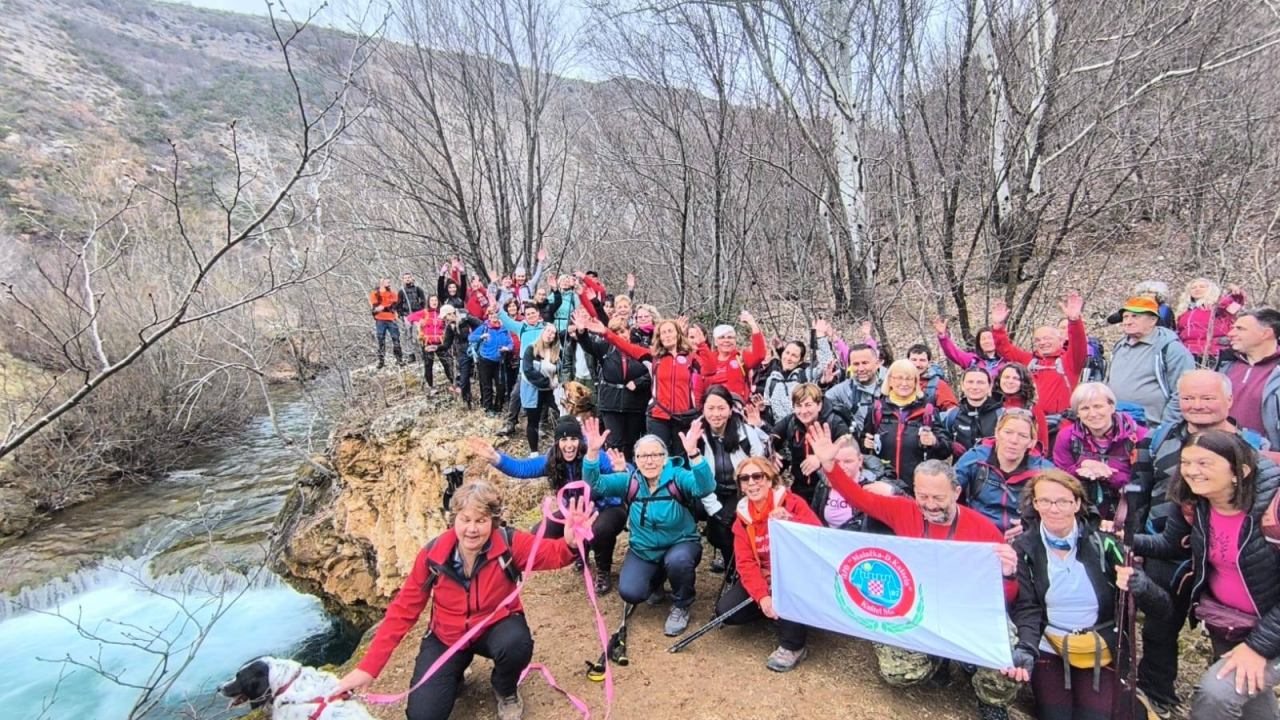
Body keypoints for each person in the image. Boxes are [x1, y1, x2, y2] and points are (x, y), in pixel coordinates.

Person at [808, 426, 1023, 720]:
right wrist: (830, 466)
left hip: (966, 609)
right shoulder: (905, 510)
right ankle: (937, 657)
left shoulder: (984, 529)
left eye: (938, 498)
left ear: (957, 492)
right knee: (897, 672)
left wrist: (1008, 575)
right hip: (918, 608)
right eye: (923, 496)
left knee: (1007, 653)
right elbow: (859, 498)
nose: (930, 505)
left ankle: (991, 699)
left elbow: (1005, 598)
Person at [332, 481, 593, 720]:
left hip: (496, 627)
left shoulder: (508, 543)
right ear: (454, 518)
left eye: (481, 520)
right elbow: (402, 611)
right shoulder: (433, 556)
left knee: (516, 644)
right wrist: (368, 668)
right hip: (446, 637)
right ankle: (453, 676)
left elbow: (550, 553)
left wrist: (569, 542)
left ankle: (505, 688)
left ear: (493, 521)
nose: (472, 528)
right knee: (423, 715)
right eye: (465, 519)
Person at [1129, 369, 1271, 715]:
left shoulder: (1259, 463)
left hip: (1253, 590)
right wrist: (1124, 538)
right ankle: (1157, 692)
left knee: (1222, 668)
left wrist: (1259, 646)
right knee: (1161, 626)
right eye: (1188, 398)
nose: (1197, 406)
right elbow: (1152, 512)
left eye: (1207, 398)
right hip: (1189, 569)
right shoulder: (1164, 447)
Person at [1009, 470, 1170, 720]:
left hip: (1099, 645)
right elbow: (1027, 607)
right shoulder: (1024, 549)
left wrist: (1142, 586)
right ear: (1035, 504)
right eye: (1045, 501)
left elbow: (1163, 609)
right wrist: (1027, 648)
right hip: (1049, 644)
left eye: (1062, 501)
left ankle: (1132, 702)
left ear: (1076, 504)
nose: (1054, 509)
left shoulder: (1104, 544)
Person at [582, 418, 715, 637]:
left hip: (681, 545)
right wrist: (593, 453)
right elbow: (594, 485)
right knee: (630, 592)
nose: (649, 461)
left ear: (665, 459)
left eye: (655, 455)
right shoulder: (629, 481)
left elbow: (706, 487)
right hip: (644, 550)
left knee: (678, 561)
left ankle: (681, 605)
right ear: (635, 460)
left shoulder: (678, 478)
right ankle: (658, 580)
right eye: (643, 456)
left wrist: (694, 455)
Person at [469, 418, 627, 595]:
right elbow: (522, 468)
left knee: (600, 529)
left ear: (580, 441)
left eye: (573, 439)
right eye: (563, 440)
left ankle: (603, 570)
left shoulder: (594, 455)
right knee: (539, 533)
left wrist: (623, 470)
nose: (569, 445)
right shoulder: (552, 459)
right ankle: (580, 551)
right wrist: (495, 458)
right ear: (557, 442)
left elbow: (625, 473)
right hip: (575, 511)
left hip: (607, 508)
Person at [714, 455, 821, 672]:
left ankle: (794, 646)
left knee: (788, 591)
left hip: (797, 574)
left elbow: (818, 536)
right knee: (726, 611)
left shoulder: (792, 503)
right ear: (741, 486)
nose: (752, 483)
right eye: (745, 479)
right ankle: (775, 611)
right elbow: (745, 563)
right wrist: (762, 597)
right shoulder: (742, 518)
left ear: (771, 479)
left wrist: (790, 520)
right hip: (766, 576)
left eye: (757, 476)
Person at [585, 315, 717, 458]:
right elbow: (625, 346)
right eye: (663, 333)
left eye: (670, 331)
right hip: (658, 417)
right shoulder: (652, 356)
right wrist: (605, 332)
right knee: (660, 456)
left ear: (678, 334)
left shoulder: (690, 358)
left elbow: (710, 370)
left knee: (682, 457)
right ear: (659, 338)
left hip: (683, 417)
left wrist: (703, 345)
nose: (667, 335)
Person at [693, 384, 770, 573]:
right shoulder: (697, 437)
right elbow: (700, 481)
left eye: (721, 408)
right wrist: (716, 510)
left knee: (736, 526)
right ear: (703, 410)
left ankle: (742, 568)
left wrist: (744, 501)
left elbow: (760, 469)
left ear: (730, 410)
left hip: (744, 490)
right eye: (710, 408)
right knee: (718, 531)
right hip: (714, 490)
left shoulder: (746, 433)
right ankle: (731, 567)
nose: (716, 414)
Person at [1052, 382, 1148, 521]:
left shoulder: (1140, 437)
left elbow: (1145, 484)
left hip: (1130, 512)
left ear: (1112, 407)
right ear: (1077, 413)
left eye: (1098, 406)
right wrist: (1083, 467)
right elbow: (1060, 478)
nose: (1092, 414)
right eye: (1085, 408)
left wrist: (1108, 475)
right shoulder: (1066, 437)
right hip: (1083, 511)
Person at [955, 410, 1056, 538]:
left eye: (1023, 436)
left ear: (1032, 442)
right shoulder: (975, 459)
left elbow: (1064, 507)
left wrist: (1033, 525)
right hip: (979, 534)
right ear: (997, 433)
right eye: (1008, 432)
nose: (1014, 440)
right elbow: (947, 491)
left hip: (1023, 538)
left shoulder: (1044, 471)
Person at [989, 292, 1087, 418]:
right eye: (1038, 340)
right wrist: (997, 327)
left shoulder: (1069, 361)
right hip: (1031, 420)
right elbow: (1005, 349)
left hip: (1061, 422)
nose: (1043, 343)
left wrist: (1074, 321)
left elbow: (1079, 345)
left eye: (1047, 338)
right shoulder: (1030, 361)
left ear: (1060, 339)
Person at [860, 359, 951, 491]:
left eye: (909, 379)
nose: (904, 383)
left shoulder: (927, 409)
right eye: (899, 378)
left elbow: (946, 450)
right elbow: (862, 446)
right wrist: (864, 443)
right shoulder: (876, 409)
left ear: (916, 382)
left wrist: (934, 441)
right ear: (890, 381)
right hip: (884, 483)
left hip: (918, 485)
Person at [573, 312, 651, 462]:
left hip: (635, 404)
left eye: (623, 331)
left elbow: (654, 371)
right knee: (614, 443)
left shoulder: (642, 349)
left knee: (632, 443)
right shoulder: (605, 348)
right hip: (611, 404)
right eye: (617, 332)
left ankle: (630, 474)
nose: (621, 335)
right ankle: (614, 474)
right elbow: (588, 345)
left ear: (629, 330)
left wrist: (639, 382)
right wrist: (581, 332)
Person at [1106, 296, 1195, 427]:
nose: (1128, 322)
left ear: (1153, 320)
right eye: (1126, 317)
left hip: (1151, 429)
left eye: (1135, 317)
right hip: (1116, 426)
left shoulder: (1170, 349)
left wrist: (1166, 427)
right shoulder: (1119, 346)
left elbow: (1184, 392)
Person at [771, 383, 851, 508]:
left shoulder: (835, 422)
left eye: (808, 405)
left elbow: (850, 449)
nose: (803, 411)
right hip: (800, 486)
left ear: (819, 405)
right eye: (798, 406)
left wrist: (821, 459)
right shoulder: (791, 421)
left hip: (828, 488)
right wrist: (771, 452)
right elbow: (772, 437)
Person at [1220, 308, 1280, 449]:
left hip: (1267, 459)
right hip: (1222, 452)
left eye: (1240, 329)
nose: (1230, 334)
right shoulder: (1224, 364)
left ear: (1266, 333)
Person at [761, 322, 838, 422]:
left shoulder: (805, 375)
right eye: (787, 353)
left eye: (794, 356)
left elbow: (826, 364)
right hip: (780, 432)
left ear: (800, 360)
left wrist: (820, 337)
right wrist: (762, 410)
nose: (788, 358)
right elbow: (769, 413)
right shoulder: (772, 380)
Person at [496, 301, 549, 437]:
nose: (531, 316)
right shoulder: (521, 328)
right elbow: (506, 320)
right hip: (525, 368)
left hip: (543, 367)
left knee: (542, 397)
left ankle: (541, 425)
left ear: (538, 314)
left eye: (533, 313)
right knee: (515, 394)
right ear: (524, 316)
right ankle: (511, 423)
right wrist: (497, 308)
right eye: (528, 314)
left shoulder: (546, 327)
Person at [701, 311, 768, 401]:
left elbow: (759, 355)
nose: (726, 340)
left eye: (730, 337)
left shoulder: (741, 357)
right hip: (714, 406)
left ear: (735, 341)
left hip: (736, 406)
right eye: (721, 337)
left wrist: (753, 325)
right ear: (715, 342)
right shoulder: (709, 358)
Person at [1176, 279, 1245, 365]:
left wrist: (1235, 295)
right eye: (1193, 288)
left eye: (1202, 286)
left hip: (1214, 352)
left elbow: (1235, 307)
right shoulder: (1185, 311)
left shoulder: (1218, 306)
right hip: (1188, 352)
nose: (1197, 289)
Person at [520, 324, 563, 454]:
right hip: (533, 390)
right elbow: (528, 371)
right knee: (533, 421)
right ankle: (534, 452)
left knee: (563, 413)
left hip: (551, 392)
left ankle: (560, 446)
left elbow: (560, 370)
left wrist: (557, 379)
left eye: (553, 333)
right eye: (548, 331)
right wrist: (547, 382)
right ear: (543, 332)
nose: (550, 334)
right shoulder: (531, 349)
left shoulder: (557, 352)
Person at [825, 342, 886, 432]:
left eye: (865, 363)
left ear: (877, 363)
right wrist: (823, 384)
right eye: (856, 364)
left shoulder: (893, 383)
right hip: (861, 442)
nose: (861, 369)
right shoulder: (844, 390)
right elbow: (818, 404)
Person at [944, 367, 1005, 457]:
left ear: (990, 386)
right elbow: (941, 452)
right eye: (970, 382)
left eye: (980, 382)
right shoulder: (953, 415)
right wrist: (948, 445)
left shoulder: (1003, 415)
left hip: (994, 469)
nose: (975, 387)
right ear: (962, 385)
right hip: (961, 469)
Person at [995, 363, 1051, 453]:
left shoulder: (1032, 409)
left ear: (1023, 382)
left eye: (1015, 378)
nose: (1010, 381)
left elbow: (1042, 446)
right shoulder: (991, 405)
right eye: (1006, 377)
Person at [469, 307, 515, 416]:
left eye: (495, 314)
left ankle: (498, 407)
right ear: (488, 316)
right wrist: (481, 336)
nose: (494, 316)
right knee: (487, 385)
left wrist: (507, 348)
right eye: (491, 314)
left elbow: (511, 343)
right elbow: (471, 337)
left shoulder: (505, 328)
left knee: (501, 386)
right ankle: (488, 408)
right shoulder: (484, 327)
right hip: (485, 360)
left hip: (499, 361)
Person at [935, 318, 1008, 379]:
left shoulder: (1006, 361)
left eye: (990, 338)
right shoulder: (972, 360)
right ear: (979, 343)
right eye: (983, 339)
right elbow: (953, 353)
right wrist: (943, 337)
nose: (987, 341)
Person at [439, 306, 480, 409]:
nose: (445, 320)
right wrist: (435, 348)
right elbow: (446, 345)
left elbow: (482, 326)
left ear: (451, 314)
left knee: (483, 376)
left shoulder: (467, 319)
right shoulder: (450, 327)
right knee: (464, 379)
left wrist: (475, 337)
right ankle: (467, 402)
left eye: (445, 317)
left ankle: (485, 402)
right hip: (463, 353)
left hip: (476, 349)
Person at [415, 296, 452, 393]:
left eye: (435, 300)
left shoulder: (441, 313)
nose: (434, 302)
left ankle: (453, 382)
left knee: (446, 363)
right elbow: (411, 317)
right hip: (427, 342)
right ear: (428, 302)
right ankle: (431, 386)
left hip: (440, 342)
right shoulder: (425, 312)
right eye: (432, 300)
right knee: (428, 365)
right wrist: (419, 322)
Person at [907, 343, 959, 410]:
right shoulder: (898, 381)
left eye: (922, 360)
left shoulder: (938, 384)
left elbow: (953, 411)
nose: (917, 364)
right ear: (907, 361)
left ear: (929, 363)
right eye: (914, 360)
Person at [1106, 280, 1176, 330]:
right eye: (1143, 292)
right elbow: (1111, 320)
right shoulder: (1135, 308)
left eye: (1150, 292)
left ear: (1158, 295)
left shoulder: (1164, 309)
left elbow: (1163, 328)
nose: (1146, 294)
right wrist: (1128, 310)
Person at [370, 278, 404, 369]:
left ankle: (399, 360)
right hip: (380, 320)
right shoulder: (375, 294)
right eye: (387, 282)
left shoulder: (393, 294)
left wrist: (385, 307)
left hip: (391, 319)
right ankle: (381, 361)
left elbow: (396, 305)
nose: (389, 283)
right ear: (382, 283)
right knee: (381, 340)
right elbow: (376, 307)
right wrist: (386, 306)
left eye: (390, 282)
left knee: (396, 340)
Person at [398, 272, 429, 362]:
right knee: (408, 335)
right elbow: (399, 303)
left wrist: (422, 311)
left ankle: (424, 352)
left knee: (420, 333)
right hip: (407, 315)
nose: (407, 279)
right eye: (405, 278)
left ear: (412, 278)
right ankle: (411, 355)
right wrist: (401, 313)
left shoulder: (418, 289)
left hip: (417, 315)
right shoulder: (401, 291)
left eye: (409, 277)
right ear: (403, 280)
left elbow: (423, 300)